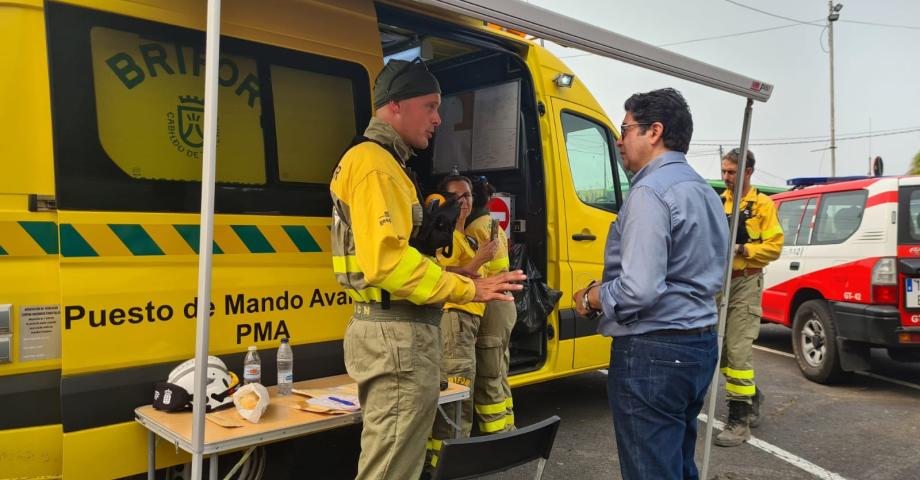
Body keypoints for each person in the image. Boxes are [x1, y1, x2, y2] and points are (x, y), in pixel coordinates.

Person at [330, 58, 525, 480]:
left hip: (394, 329)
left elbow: (399, 256)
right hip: (397, 335)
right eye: (430, 106)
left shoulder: (384, 162)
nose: (438, 119)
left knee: (396, 458)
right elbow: (388, 263)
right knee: (392, 468)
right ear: (395, 106)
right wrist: (466, 291)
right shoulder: (376, 163)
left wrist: (460, 276)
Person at [573, 88, 728, 480]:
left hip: (654, 350)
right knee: (677, 464)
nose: (619, 141)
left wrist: (593, 297)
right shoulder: (705, 191)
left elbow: (639, 289)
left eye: (625, 129)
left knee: (651, 470)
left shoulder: (649, 192)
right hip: (699, 343)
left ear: (654, 131)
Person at [714, 148, 783, 447]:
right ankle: (751, 394)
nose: (726, 177)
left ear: (748, 171)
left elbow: (775, 247)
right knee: (724, 352)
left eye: (732, 172)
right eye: (724, 171)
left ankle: (739, 422)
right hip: (720, 286)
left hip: (746, 281)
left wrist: (743, 250)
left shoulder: (763, 205)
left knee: (739, 352)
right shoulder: (720, 203)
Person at [427, 174, 497, 468]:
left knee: (460, 391)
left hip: (468, 319)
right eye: (457, 197)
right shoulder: (441, 236)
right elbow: (443, 278)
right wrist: (479, 259)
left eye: (468, 195)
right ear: (444, 201)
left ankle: (445, 461)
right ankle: (448, 464)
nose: (464, 201)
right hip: (455, 318)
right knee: (458, 392)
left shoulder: (465, 233)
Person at [466, 177, 517, 434]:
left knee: (488, 373)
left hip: (492, 305)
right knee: (499, 369)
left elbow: (472, 272)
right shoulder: (493, 223)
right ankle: (508, 425)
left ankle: (496, 433)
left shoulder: (474, 228)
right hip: (504, 304)